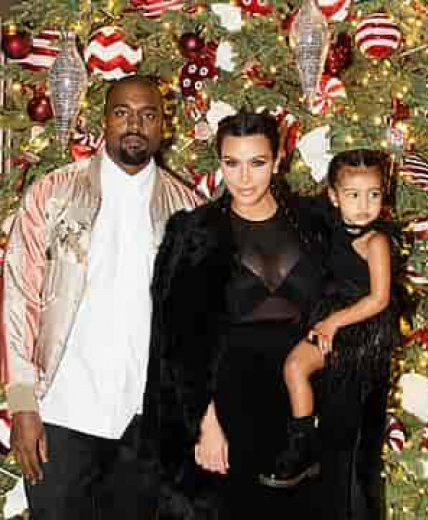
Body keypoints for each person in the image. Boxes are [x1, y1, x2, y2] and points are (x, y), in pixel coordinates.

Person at [0, 75, 202, 520]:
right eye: (122, 113)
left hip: (145, 419)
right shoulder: (53, 194)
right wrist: (23, 404)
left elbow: (199, 323)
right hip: (63, 409)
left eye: (148, 115)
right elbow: (18, 296)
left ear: (163, 125)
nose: (135, 125)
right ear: (104, 121)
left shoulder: (188, 209)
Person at [150, 111, 333, 519]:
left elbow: (345, 297)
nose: (244, 178)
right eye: (232, 163)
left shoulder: (315, 224)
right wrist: (205, 422)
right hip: (229, 406)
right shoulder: (194, 233)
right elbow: (178, 340)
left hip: (303, 401)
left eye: (257, 162)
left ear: (278, 160)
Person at [261, 149, 396, 493]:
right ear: (334, 197)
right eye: (353, 195)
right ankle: (303, 440)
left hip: (359, 325)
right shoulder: (331, 225)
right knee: (281, 359)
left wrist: (333, 323)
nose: (364, 205)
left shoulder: (375, 241)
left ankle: (303, 449)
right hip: (329, 314)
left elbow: (379, 299)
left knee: (296, 367)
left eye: (373, 194)